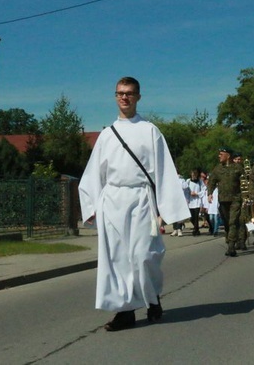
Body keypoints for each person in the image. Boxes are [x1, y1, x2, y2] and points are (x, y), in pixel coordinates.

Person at [79, 77, 190, 332]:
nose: (124, 98)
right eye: (120, 93)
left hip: (141, 200)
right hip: (113, 200)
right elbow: (94, 174)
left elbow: (163, 170)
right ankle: (125, 311)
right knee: (117, 259)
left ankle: (152, 298)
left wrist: (167, 209)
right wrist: (93, 206)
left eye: (129, 93)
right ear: (115, 96)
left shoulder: (150, 130)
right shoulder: (107, 135)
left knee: (144, 256)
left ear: (138, 97)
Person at [207, 147, 244, 256]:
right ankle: (230, 240)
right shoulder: (217, 169)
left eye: (221, 154)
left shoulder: (238, 168)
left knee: (233, 222)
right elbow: (212, 182)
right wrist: (210, 193)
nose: (219, 156)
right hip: (223, 201)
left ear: (228, 155)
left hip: (235, 200)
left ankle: (231, 246)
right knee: (227, 223)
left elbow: (245, 183)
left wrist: (246, 197)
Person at [187, 168, 205, 236]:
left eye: (195, 175)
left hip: (197, 202)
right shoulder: (188, 181)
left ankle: (195, 231)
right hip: (190, 202)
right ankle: (196, 228)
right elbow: (186, 190)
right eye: (192, 174)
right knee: (192, 217)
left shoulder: (200, 182)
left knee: (196, 217)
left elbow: (204, 190)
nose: (193, 176)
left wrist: (197, 193)